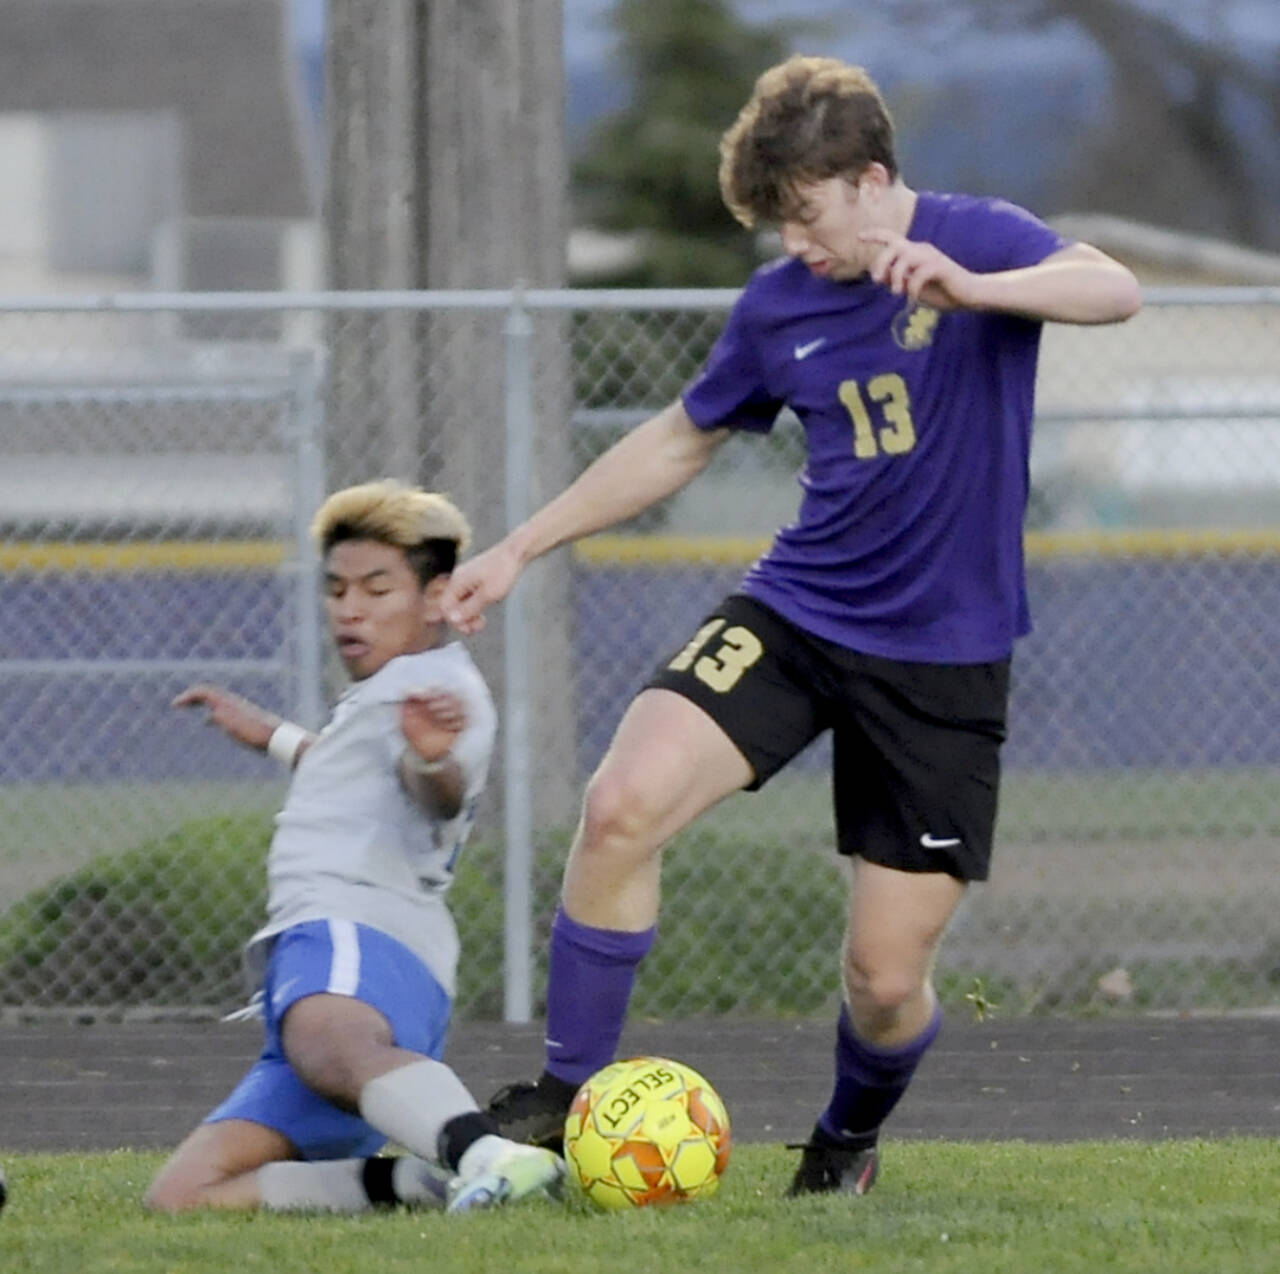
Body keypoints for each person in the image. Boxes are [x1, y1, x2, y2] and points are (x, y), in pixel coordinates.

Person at [440, 55, 1142, 1197]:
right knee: (619, 806)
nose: (793, 246)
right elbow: (675, 441)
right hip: (796, 612)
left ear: (871, 180)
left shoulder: (982, 237)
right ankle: (567, 1101)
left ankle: (842, 1145)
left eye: (806, 216)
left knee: (880, 977)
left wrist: (974, 288)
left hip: (940, 663)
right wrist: (518, 546)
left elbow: (1112, 289)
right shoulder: (778, 303)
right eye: (775, 224)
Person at [144, 479, 564, 1215]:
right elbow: (355, 777)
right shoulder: (393, 690)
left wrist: (433, 759)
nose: (351, 608)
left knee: (329, 1043)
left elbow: (436, 787)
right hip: (331, 953)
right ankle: (413, 1187)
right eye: (337, 590)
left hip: (358, 936)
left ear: (437, 597)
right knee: (183, 1196)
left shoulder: (438, 691)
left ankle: (490, 1154)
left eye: (377, 588)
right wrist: (269, 734)